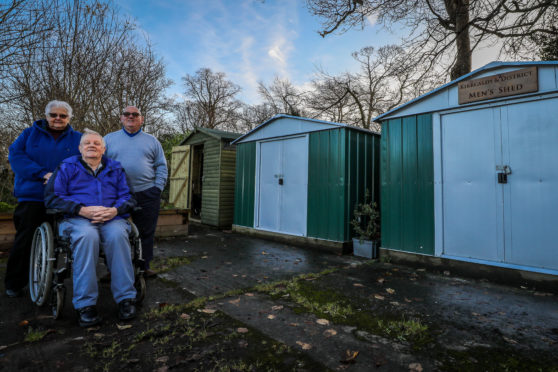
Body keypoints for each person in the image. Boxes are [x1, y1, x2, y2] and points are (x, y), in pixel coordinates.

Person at [45, 129, 137, 327]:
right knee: (88, 237)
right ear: (80, 148)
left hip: (111, 217)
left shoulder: (116, 168)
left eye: (96, 143)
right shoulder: (67, 166)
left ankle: (125, 299)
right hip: (77, 218)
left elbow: (129, 196)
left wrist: (114, 210)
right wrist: (81, 210)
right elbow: (52, 197)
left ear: (104, 149)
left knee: (117, 236)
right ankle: (85, 305)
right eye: (87, 143)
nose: (92, 146)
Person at [5, 100, 81, 298]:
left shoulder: (78, 139)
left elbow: (87, 161)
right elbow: (16, 156)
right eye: (54, 115)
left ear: (69, 118)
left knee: (63, 239)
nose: (58, 119)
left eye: (63, 116)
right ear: (46, 116)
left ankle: (52, 279)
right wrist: (43, 174)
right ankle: (14, 283)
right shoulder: (29, 134)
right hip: (33, 195)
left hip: (64, 197)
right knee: (25, 239)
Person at [104, 106, 167, 277]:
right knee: (113, 232)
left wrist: (157, 188)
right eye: (127, 114)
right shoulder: (108, 139)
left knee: (146, 232)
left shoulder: (152, 141)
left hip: (146, 193)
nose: (131, 116)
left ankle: (144, 267)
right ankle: (112, 270)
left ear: (142, 119)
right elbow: (100, 165)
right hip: (116, 195)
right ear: (121, 118)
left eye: (135, 114)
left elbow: (161, 166)